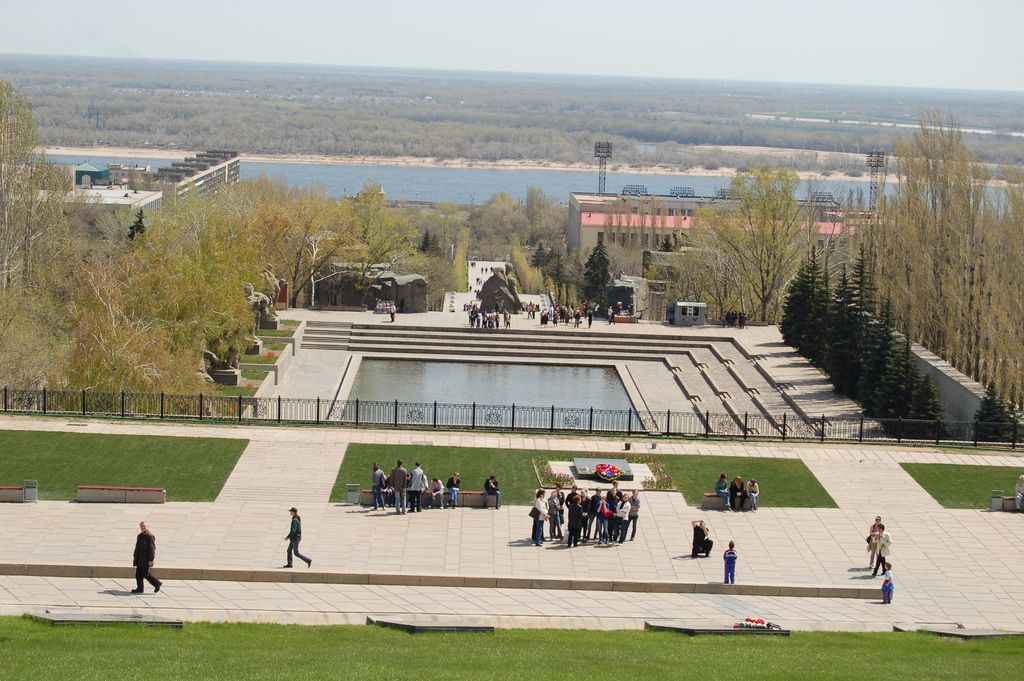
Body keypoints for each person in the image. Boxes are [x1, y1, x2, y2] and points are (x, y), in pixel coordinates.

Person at [131, 521, 162, 594]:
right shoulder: (139, 535)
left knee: (146, 574)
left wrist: (151, 559)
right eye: (141, 526)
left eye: (144, 526)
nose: (142, 528)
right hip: (139, 558)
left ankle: (157, 583)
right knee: (138, 574)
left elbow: (152, 548)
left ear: (147, 527)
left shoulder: (150, 536)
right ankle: (140, 588)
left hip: (146, 559)